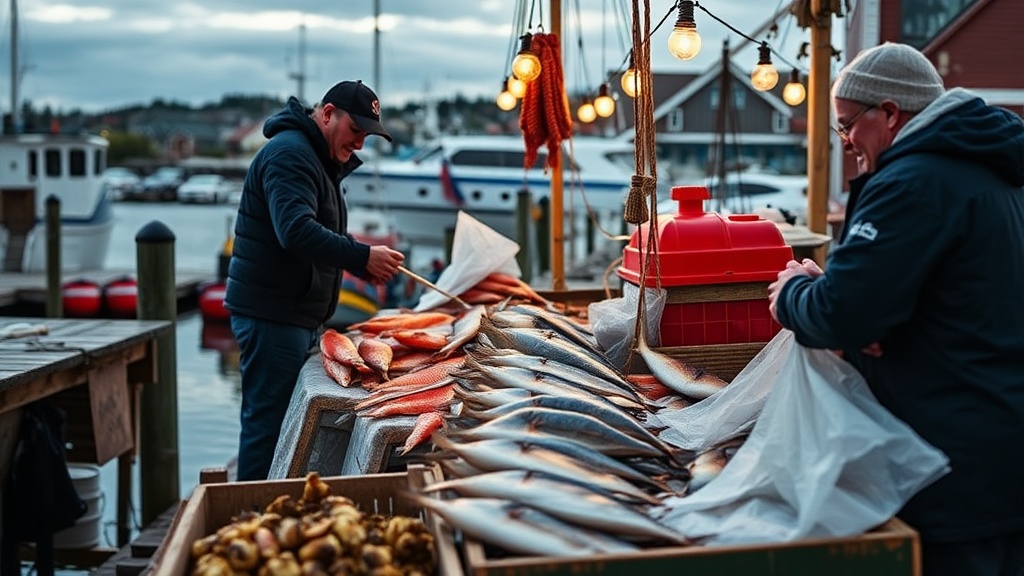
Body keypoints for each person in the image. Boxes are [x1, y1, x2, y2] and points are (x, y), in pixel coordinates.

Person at [767, 42, 1024, 576]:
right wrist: (864, 306)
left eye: (847, 126)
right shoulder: (993, 175)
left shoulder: (914, 182)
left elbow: (844, 315)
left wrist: (794, 294)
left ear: (889, 113)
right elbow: (950, 297)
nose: (846, 144)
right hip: (1001, 447)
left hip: (951, 465)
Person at [224, 80, 405, 481]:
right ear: (326, 115)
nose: (360, 143)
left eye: (366, 134)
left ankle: (264, 508)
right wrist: (362, 257)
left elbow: (310, 232)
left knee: (278, 425)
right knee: (266, 429)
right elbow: (296, 231)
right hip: (271, 316)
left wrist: (361, 261)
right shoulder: (290, 155)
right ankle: (248, 515)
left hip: (293, 315)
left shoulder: (315, 158)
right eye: (355, 130)